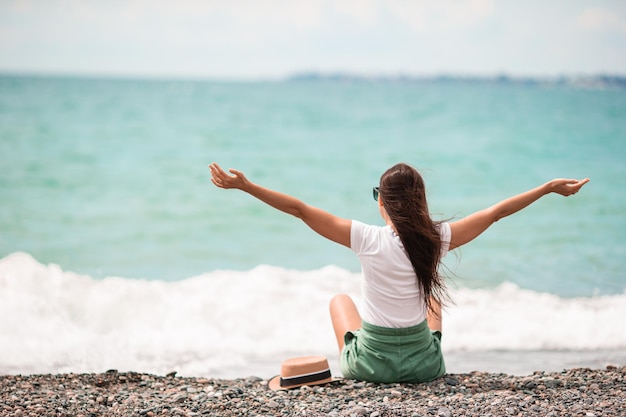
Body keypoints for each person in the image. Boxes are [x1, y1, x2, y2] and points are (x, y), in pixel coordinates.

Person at [208, 162, 589, 383]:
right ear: (420, 200)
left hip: (369, 366)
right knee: (433, 300)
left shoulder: (366, 238)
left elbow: (300, 210)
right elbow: (496, 212)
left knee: (340, 301)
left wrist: (247, 186)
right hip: (426, 366)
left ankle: (357, 356)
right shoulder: (438, 238)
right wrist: (545, 188)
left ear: (383, 202)